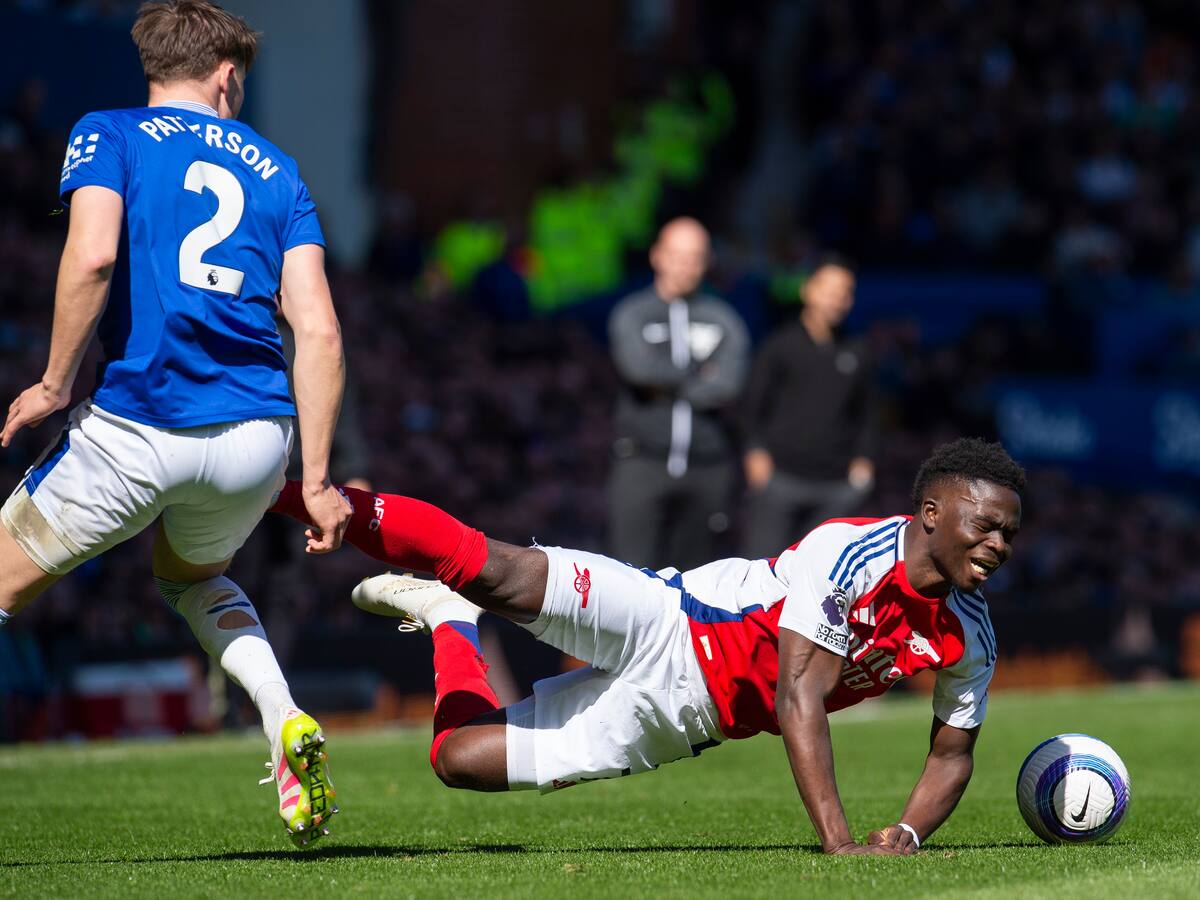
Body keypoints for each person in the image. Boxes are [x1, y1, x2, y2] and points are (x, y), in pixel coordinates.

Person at [270, 438, 1024, 854]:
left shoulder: (971, 633)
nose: (997, 544)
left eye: (1009, 535)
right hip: (671, 615)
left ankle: (447, 621)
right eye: (984, 525)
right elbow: (799, 694)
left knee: (457, 762)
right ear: (930, 511)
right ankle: (288, 490)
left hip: (684, 717)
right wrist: (839, 843)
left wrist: (905, 836)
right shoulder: (851, 552)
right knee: (502, 570)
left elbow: (952, 753)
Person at [0, 0, 350, 847]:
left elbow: (90, 254)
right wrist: (317, 479)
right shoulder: (279, 169)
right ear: (227, 75)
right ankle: (284, 717)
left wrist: (53, 383)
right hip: (257, 439)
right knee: (192, 580)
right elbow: (321, 331)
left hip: (141, 424)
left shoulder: (109, 131)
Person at [607, 217, 750, 571]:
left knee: (695, 578)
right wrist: (699, 371)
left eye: (695, 256)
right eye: (677, 255)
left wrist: (668, 381)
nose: (685, 265)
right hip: (641, 461)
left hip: (708, 466)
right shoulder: (633, 313)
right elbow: (638, 370)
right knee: (630, 577)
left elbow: (728, 384)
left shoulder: (724, 319)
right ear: (657, 256)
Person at [742, 257, 877, 558]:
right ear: (808, 290)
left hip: (836, 483)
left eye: (845, 292)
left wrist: (864, 461)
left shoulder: (857, 350)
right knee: (764, 568)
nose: (837, 300)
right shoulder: (779, 345)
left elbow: (866, 413)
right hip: (780, 477)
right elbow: (753, 405)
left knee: (820, 573)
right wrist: (755, 451)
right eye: (829, 290)